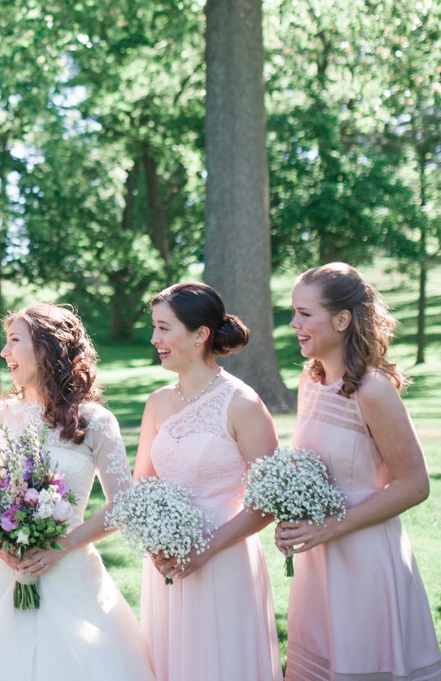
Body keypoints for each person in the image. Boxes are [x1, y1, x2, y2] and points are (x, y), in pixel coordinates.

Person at [0, 304, 154, 681]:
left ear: (46, 349)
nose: (4, 352)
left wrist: (60, 546)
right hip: (2, 569)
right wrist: (3, 539)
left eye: (14, 341)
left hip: (72, 571)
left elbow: (123, 505)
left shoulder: (95, 422)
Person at [278, 263, 441, 681]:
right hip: (318, 557)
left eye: (304, 313)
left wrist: (330, 527)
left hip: (365, 557)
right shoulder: (310, 382)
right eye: (293, 312)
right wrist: (292, 518)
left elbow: (414, 484)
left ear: (342, 319)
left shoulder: (373, 390)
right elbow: (309, 470)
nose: (294, 324)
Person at [134, 282, 280, 681]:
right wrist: (157, 544)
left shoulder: (243, 404)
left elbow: (268, 502)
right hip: (164, 562)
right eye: (154, 327)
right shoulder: (157, 402)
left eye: (165, 328)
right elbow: (141, 487)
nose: (154, 338)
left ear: (200, 335)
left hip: (223, 555)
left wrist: (202, 550)